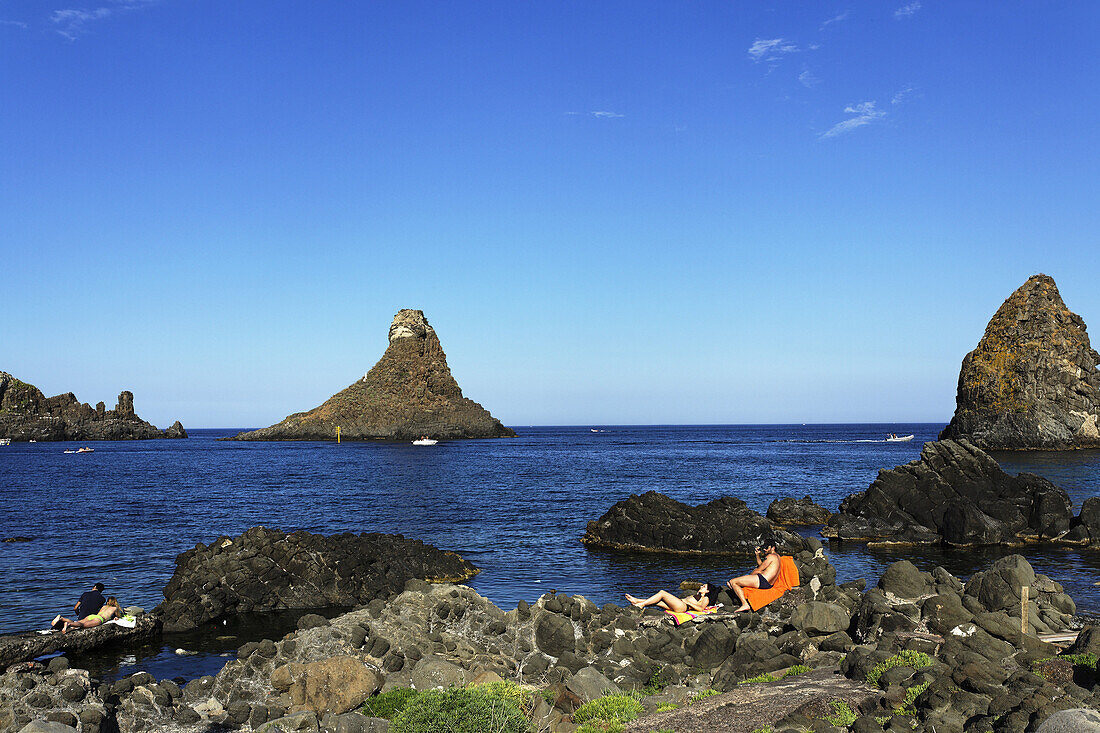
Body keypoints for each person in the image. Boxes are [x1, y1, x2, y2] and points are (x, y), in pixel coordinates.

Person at [727, 544, 781, 612]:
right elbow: (762, 565)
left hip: (763, 581)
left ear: (773, 548)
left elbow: (758, 570)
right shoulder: (777, 556)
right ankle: (737, 588)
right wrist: (757, 555)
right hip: (768, 583)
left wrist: (749, 577)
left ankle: (745, 604)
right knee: (736, 582)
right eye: (764, 548)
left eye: (767, 547)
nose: (764, 549)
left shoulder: (770, 556)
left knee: (732, 582)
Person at [625, 582, 721, 613]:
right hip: (680, 605)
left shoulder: (705, 599)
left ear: (707, 591)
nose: (701, 586)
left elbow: (700, 609)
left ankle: (641, 604)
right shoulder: (698, 595)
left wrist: (689, 603)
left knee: (662, 593)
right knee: (657, 601)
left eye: (703, 587)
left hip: (683, 607)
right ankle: (637, 600)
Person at [52, 597, 121, 634]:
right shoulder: (115, 608)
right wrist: (116, 617)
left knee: (78, 622)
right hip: (99, 619)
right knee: (82, 625)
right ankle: (69, 624)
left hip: (92, 616)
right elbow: (119, 616)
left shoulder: (104, 606)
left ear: (108, 602)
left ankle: (62, 618)